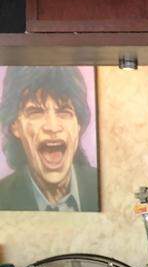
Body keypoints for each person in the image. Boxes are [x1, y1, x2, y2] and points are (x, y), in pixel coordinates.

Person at [0, 67, 98, 211]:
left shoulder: (107, 187)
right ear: (15, 126)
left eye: (64, 111)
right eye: (36, 112)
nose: (52, 127)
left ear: (78, 124)